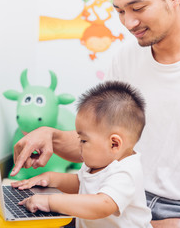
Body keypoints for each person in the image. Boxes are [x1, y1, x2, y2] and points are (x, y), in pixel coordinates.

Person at [10, 0, 180, 227]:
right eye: (120, 11)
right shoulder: (126, 59)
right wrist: (51, 135)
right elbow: (99, 142)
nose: (129, 23)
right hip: (117, 194)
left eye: (138, 8)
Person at [12, 81, 152, 228]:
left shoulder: (125, 172)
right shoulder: (98, 162)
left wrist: (50, 202)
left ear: (114, 144)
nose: (79, 146)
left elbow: (102, 205)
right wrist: (50, 178)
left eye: (83, 140)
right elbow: (81, 183)